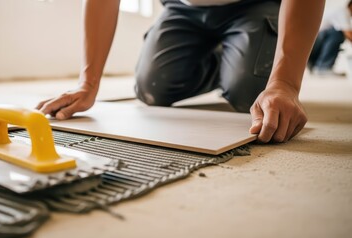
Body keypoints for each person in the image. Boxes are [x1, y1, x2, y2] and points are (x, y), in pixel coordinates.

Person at [36, 0, 325, 143]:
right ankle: (224, 62)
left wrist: (285, 83)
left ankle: (239, 62)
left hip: (253, 5)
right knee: (152, 88)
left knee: (250, 93)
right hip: (183, 8)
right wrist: (88, 83)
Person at [308, 0, 352, 76]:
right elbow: (348, 33)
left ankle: (317, 65)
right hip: (313, 43)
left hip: (312, 45)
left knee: (337, 33)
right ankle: (323, 67)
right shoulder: (343, 12)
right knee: (337, 34)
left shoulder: (342, 12)